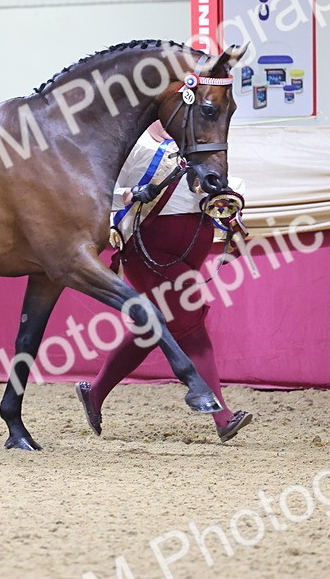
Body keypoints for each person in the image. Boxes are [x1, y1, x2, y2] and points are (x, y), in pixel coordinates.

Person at [76, 121, 253, 443]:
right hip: (147, 249)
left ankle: (95, 392)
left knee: (149, 329)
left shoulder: (196, 143)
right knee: (190, 325)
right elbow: (94, 184)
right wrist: (127, 194)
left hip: (190, 248)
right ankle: (221, 416)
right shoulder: (132, 142)